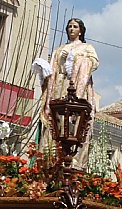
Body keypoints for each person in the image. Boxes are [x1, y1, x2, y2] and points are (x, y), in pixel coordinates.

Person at [36, 18, 98, 166]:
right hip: (59, 87)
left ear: (80, 30)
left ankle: (73, 158)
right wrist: (44, 70)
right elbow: (52, 70)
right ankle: (50, 158)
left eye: (75, 26)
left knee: (74, 123)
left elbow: (93, 63)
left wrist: (74, 58)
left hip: (77, 88)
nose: (71, 29)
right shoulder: (59, 49)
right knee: (55, 121)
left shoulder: (86, 48)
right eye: (69, 26)